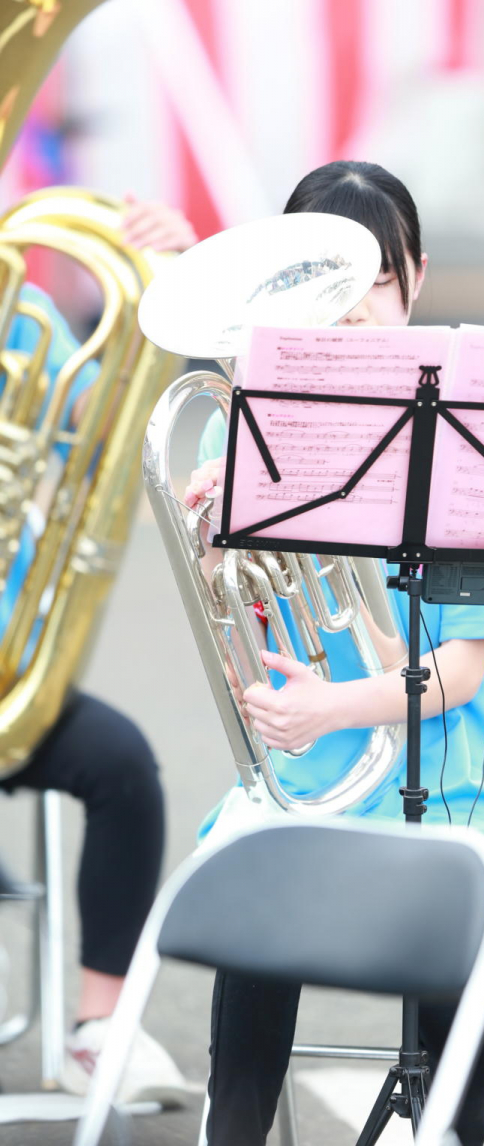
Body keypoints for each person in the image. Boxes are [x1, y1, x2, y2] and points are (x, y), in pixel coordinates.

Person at [186, 161, 484, 1146]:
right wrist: (223, 553)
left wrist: (330, 710)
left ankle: (440, 1130)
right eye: (324, 284)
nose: (352, 312)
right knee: (252, 881)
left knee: (461, 920)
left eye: (375, 283)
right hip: (312, 788)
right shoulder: (258, 449)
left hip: (464, 802)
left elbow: (461, 675)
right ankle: (236, 1130)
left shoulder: (482, 445)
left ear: (417, 278)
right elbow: (252, 679)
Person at [0, 196, 197, 1105]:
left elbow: (122, 422)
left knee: (122, 766)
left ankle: (97, 1026)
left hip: (7, 676)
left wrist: (176, 282)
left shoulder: (25, 320)